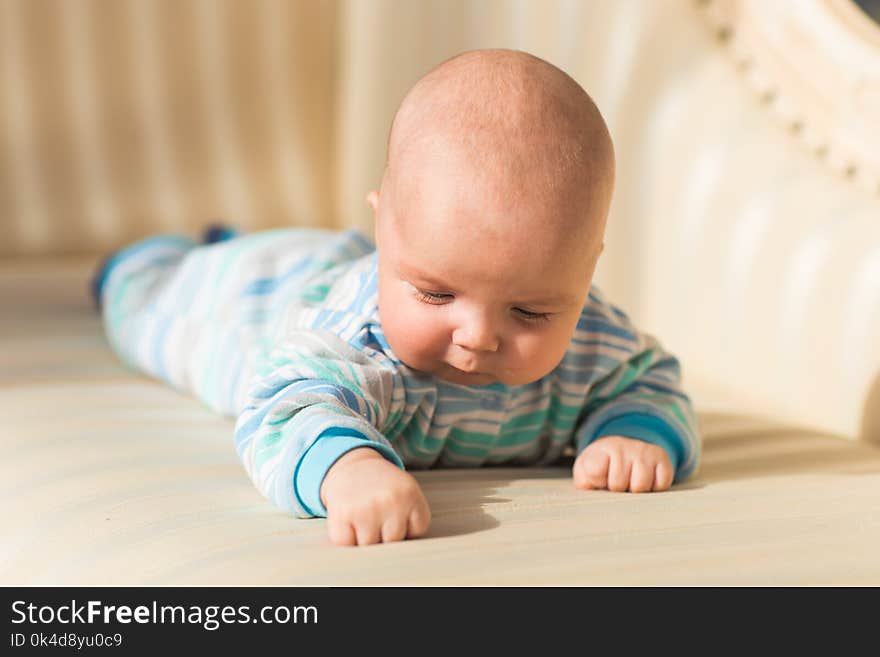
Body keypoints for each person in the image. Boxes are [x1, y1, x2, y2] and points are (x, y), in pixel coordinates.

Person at [93, 49, 701, 547]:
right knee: (156, 311)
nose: (477, 336)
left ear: (585, 268)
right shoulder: (354, 346)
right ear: (385, 232)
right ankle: (139, 264)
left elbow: (651, 381)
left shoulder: (594, 342)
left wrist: (635, 434)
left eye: (531, 311)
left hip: (343, 265)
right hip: (262, 304)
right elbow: (282, 409)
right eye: (437, 294)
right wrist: (348, 469)